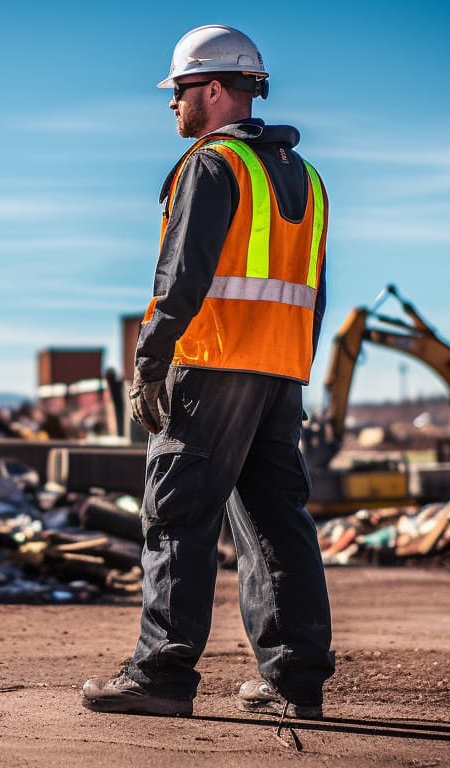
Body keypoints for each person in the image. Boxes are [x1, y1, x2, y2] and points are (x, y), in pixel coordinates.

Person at [80, 24, 335, 719]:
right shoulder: (305, 178)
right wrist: (294, 376)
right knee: (277, 521)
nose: (172, 105)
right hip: (279, 372)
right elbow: (313, 292)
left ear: (214, 90)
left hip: (213, 362)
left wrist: (150, 363)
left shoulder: (211, 165)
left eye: (180, 91)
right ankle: (295, 681)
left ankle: (161, 675)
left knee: (177, 515)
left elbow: (180, 279)